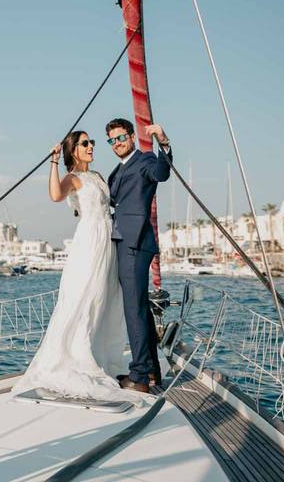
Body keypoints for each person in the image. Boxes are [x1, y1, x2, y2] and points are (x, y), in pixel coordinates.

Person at [11, 130, 141, 404]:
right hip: (90, 242)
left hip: (109, 242)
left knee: (106, 299)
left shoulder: (98, 176)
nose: (92, 145)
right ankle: (77, 358)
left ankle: (99, 355)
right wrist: (54, 161)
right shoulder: (74, 178)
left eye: (92, 142)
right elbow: (56, 195)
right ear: (74, 151)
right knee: (87, 296)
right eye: (85, 143)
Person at [105, 118, 172, 394]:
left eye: (121, 137)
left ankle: (140, 377)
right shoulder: (115, 171)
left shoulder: (144, 160)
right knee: (140, 309)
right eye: (112, 140)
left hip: (136, 242)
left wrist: (163, 142)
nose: (117, 143)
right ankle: (152, 371)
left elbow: (162, 174)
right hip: (123, 242)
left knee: (133, 310)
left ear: (132, 136)